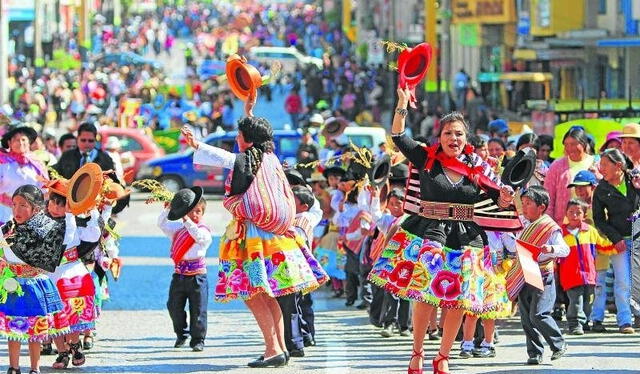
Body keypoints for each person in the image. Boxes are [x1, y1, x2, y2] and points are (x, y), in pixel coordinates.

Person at [368, 88, 515, 374]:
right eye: (448, 133)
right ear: (440, 137)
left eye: (459, 134)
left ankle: (443, 356)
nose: (454, 139)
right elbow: (398, 136)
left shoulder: (477, 166)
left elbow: (499, 198)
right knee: (425, 295)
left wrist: (507, 197)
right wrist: (401, 103)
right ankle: (418, 352)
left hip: (467, 237)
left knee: (459, 299)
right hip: (430, 232)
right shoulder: (426, 158)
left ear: (466, 138)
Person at [181, 96, 327, 368]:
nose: (236, 139)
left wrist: (196, 145)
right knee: (267, 294)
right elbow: (255, 139)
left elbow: (225, 158)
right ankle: (278, 348)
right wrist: (249, 111)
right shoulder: (270, 157)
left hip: (252, 238)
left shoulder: (247, 160)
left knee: (253, 293)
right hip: (276, 237)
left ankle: (273, 349)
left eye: (239, 135)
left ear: (247, 140)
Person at [0, 185, 72, 374]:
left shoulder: (48, 230)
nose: (17, 210)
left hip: (35, 284)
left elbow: (66, 237)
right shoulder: (7, 230)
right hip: (13, 286)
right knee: (13, 330)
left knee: (36, 331)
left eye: (23, 205)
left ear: (36, 208)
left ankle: (35, 368)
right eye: (14, 204)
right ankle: (13, 367)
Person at [501, 186, 569, 365]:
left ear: (542, 207)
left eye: (528, 203)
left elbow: (565, 249)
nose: (524, 207)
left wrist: (551, 249)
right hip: (523, 272)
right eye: (522, 203)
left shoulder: (549, 227)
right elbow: (510, 245)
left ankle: (558, 343)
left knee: (538, 314)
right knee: (525, 317)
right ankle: (535, 353)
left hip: (543, 274)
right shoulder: (520, 223)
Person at [46, 183, 101, 369]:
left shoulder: (75, 223)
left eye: (60, 204)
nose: (54, 207)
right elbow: (64, 239)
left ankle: (75, 345)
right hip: (51, 275)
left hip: (73, 274)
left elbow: (93, 235)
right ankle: (62, 352)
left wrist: (92, 214)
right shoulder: (43, 223)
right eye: (52, 202)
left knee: (73, 315)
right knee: (54, 317)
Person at [157, 188, 211, 352]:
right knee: (174, 306)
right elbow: (162, 224)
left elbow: (198, 237)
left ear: (202, 213)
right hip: (179, 275)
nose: (195, 214)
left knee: (198, 310)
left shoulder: (204, 231)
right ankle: (181, 334)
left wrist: (187, 220)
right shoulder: (178, 230)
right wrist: (168, 208)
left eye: (198, 211)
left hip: (197, 277)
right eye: (192, 211)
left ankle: (198, 340)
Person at [592, 148, 637, 334]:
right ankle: (625, 321)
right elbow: (599, 219)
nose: (600, 168)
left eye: (604, 164)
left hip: (638, 238)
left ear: (618, 166)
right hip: (619, 242)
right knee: (623, 281)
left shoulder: (634, 181)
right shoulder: (601, 189)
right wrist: (615, 238)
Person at [559, 199, 611, 335]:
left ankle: (585, 321)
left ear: (585, 215)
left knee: (588, 301)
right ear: (566, 214)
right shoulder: (560, 233)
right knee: (576, 301)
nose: (574, 215)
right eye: (571, 212)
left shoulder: (590, 231)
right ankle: (575, 324)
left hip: (589, 275)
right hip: (571, 275)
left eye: (578, 212)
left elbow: (603, 245)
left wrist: (617, 245)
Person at [545, 126, 598, 225]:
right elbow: (548, 198)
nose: (569, 148)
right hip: (564, 225)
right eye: (566, 145)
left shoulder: (596, 163)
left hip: (593, 224)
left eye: (573, 144)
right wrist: (550, 225)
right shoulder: (556, 166)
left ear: (583, 144)